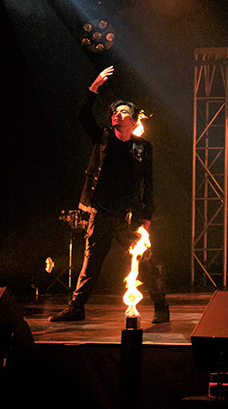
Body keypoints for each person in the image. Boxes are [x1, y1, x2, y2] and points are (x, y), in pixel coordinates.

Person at [50, 66, 169, 323]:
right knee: (90, 264)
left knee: (145, 261)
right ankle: (76, 307)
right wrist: (94, 86)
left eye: (123, 112)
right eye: (115, 112)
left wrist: (147, 216)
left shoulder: (141, 147)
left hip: (129, 216)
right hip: (101, 212)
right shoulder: (103, 137)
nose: (117, 114)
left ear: (134, 121)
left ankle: (161, 308)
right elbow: (83, 115)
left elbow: (148, 183)